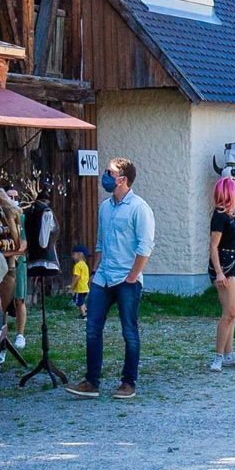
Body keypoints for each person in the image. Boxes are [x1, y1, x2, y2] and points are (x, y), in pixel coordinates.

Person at [66, 157, 155, 400]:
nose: (104, 176)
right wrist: (94, 272)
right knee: (92, 329)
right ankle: (91, 382)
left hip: (126, 280)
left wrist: (132, 276)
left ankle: (128, 382)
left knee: (129, 331)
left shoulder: (139, 208)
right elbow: (100, 242)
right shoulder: (105, 207)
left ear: (122, 179)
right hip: (103, 278)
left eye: (110, 172)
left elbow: (145, 246)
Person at [209, 176, 235, 372]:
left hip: (233, 265)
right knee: (228, 312)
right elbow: (213, 246)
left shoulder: (228, 216)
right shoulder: (219, 216)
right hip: (225, 267)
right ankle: (218, 356)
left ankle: (229, 354)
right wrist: (218, 272)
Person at [0, 188, 29, 355]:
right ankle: (2, 341)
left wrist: (14, 254)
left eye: (16, 196)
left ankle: (20, 335)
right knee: (2, 304)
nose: (13, 199)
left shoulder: (20, 217)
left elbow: (23, 242)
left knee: (19, 299)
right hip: (1, 262)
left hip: (18, 262)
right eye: (10, 197)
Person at [24, 186, 61, 331]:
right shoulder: (46, 212)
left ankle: (34, 298)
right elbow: (43, 241)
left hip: (32, 258)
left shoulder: (29, 212)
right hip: (46, 258)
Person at [70, 245, 91, 319]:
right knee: (81, 301)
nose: (72, 256)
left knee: (79, 303)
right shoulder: (85, 265)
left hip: (80, 289)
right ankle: (86, 311)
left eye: (74, 254)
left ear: (79, 254)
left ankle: (84, 315)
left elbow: (77, 277)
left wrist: (72, 286)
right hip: (85, 288)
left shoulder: (77, 265)